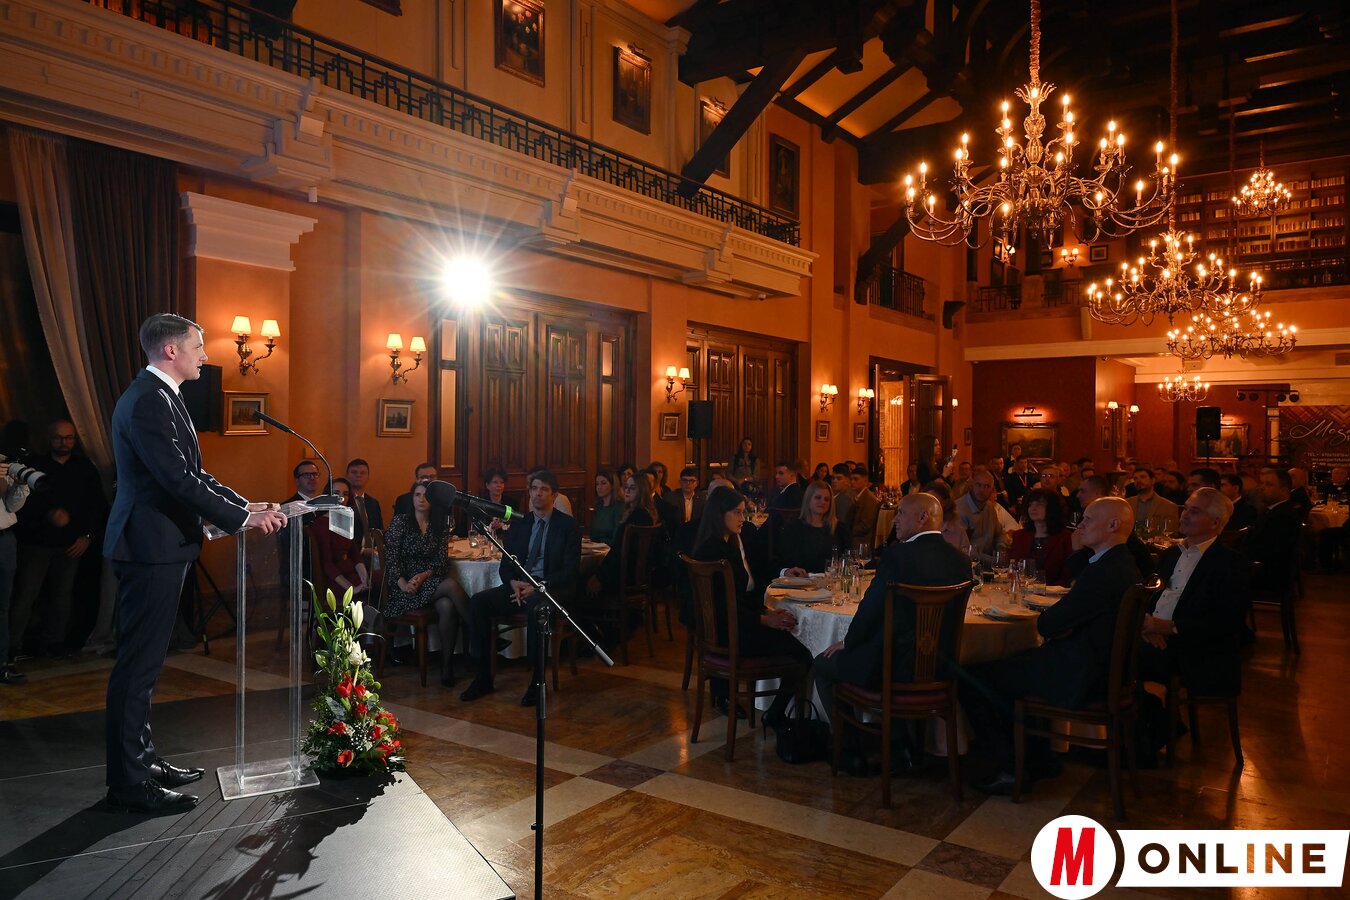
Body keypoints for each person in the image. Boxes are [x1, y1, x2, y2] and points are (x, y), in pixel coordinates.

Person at [104, 313, 286, 813]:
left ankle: (143, 762)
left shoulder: (162, 395)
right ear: (171, 351)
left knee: (146, 666)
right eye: (198, 346)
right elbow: (175, 480)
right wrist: (241, 520)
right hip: (149, 547)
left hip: (161, 546)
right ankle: (129, 783)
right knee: (137, 667)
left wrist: (244, 506)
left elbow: (194, 474)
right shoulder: (148, 400)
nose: (205, 355)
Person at [961, 497, 1142, 796]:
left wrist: (1058, 619)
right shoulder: (1120, 563)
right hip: (1099, 668)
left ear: (1113, 525)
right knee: (1016, 661)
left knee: (973, 677)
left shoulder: (1103, 572)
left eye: (1088, 519)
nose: (1080, 525)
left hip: (1081, 674)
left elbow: (1048, 625)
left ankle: (1010, 767)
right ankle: (1039, 759)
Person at [814, 493, 971, 774]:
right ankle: (900, 746)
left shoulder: (898, 556)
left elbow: (871, 609)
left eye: (901, 513)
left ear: (922, 517)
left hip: (891, 670)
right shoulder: (960, 561)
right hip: (941, 669)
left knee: (822, 664)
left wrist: (848, 642)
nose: (895, 520)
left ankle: (849, 751)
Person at [460, 470, 580, 706]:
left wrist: (539, 586)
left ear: (554, 495)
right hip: (520, 585)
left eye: (544, 489)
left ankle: (537, 682)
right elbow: (506, 565)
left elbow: (570, 571)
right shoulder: (521, 524)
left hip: (549, 588)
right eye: (534, 489)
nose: (538, 494)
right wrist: (513, 583)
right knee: (479, 602)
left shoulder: (567, 526)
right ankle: (483, 677)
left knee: (536, 608)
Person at [692, 486, 811, 724]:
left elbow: (737, 598)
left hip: (731, 628)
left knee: (792, 634)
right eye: (737, 512)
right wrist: (765, 620)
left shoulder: (720, 545)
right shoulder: (716, 553)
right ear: (720, 514)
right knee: (804, 651)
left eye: (743, 512)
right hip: (733, 634)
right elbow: (725, 607)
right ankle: (775, 714)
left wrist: (766, 612)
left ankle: (775, 712)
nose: (742, 518)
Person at [10, 420, 108, 658]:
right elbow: (21, 504)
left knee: (62, 596)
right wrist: (48, 515)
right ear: (49, 438)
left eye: (68, 438)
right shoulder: (35, 466)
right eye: (58, 437)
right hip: (37, 542)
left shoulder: (84, 467)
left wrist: (87, 536)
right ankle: (12, 646)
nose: (64, 442)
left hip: (70, 544)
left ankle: (53, 643)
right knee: (26, 595)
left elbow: (95, 505)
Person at [1138, 488, 1248, 698]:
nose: (1184, 515)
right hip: (1155, 637)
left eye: (1194, 511)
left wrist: (1170, 627)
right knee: (1107, 646)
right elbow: (1149, 597)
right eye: (1186, 508)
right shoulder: (1170, 554)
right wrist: (1146, 626)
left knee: (1118, 657)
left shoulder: (1230, 563)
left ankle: (1148, 711)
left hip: (1196, 649)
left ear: (1215, 522)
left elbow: (1228, 622)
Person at [1066, 475, 1154, 579]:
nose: (1077, 495)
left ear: (1113, 525)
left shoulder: (1115, 561)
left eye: (1082, 491)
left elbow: (1084, 575)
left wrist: (1076, 550)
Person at [586, 473, 659, 597]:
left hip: (625, 574)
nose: (627, 491)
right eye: (626, 487)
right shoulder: (641, 513)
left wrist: (600, 576)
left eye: (632, 488)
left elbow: (619, 550)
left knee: (581, 579)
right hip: (632, 572)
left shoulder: (638, 516)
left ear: (642, 491)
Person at [309, 477, 369, 598]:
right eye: (336, 493)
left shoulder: (345, 520)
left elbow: (354, 554)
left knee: (380, 582)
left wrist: (365, 578)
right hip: (334, 580)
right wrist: (351, 588)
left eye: (345, 494)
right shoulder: (321, 523)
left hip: (350, 572)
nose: (341, 498)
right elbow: (327, 564)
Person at [1245, 468, 1302, 592]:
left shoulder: (1283, 516)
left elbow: (1268, 551)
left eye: (1269, 484)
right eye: (1262, 483)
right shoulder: (1272, 511)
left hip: (1267, 576)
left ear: (1284, 489)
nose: (1262, 488)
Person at [0, 459, 32, 683]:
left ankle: (2, 664)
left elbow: (12, 506)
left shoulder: (3, 463)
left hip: (4, 539)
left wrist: (20, 485)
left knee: (2, 607)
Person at [1009, 488, 1074, 587]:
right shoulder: (1019, 536)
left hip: (1053, 592)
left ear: (1052, 508)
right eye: (1030, 504)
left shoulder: (1065, 538)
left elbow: (1067, 575)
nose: (1033, 508)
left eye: (1039, 504)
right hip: (1023, 590)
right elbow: (1012, 567)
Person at [957, 466, 1017, 566]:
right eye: (978, 485)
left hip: (989, 566)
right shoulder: (959, 509)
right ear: (971, 485)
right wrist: (994, 560)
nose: (982, 490)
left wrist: (1001, 549)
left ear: (992, 490)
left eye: (987, 486)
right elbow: (965, 550)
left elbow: (999, 534)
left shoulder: (989, 507)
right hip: (967, 566)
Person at [776, 481, 835, 575]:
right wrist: (787, 571)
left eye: (827, 499)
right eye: (818, 497)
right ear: (808, 500)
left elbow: (847, 559)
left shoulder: (838, 528)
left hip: (831, 581)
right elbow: (781, 560)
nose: (823, 502)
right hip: (801, 580)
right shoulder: (793, 528)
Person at [346, 457, 383, 556]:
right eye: (354, 472)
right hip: (351, 555)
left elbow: (379, 531)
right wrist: (361, 550)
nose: (358, 475)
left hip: (374, 556)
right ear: (347, 476)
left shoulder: (373, 503)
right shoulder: (343, 502)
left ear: (368, 477)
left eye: (363, 473)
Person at [1126, 467, 1180, 535]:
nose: (1138, 481)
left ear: (1153, 480)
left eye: (1142, 477)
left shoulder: (1168, 506)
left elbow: (1172, 533)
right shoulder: (1127, 503)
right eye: (1135, 478)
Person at [922, 481, 971, 555]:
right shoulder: (917, 527)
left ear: (945, 502)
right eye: (926, 500)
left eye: (934, 500)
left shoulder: (957, 529)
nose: (929, 505)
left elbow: (966, 556)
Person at [846, 466, 879, 552]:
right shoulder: (856, 495)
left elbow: (865, 526)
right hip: (855, 539)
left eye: (856, 479)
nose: (852, 482)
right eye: (851, 479)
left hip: (862, 542)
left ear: (865, 481)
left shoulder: (869, 499)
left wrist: (847, 532)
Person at [589, 470, 622, 545]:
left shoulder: (619, 506)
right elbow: (593, 533)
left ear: (612, 485)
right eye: (597, 484)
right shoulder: (599, 506)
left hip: (611, 548)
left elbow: (617, 536)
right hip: (596, 547)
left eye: (603, 483)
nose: (599, 487)